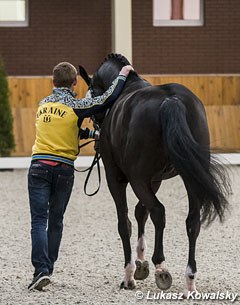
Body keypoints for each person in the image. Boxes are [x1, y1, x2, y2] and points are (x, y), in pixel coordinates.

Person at [28, 61, 133, 291]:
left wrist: (89, 132)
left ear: (52, 82)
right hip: (63, 169)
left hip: (38, 167)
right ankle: (48, 268)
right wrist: (123, 75)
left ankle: (41, 270)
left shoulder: (42, 105)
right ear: (75, 83)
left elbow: (62, 128)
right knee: (55, 221)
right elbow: (107, 97)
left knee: (38, 220)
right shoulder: (78, 106)